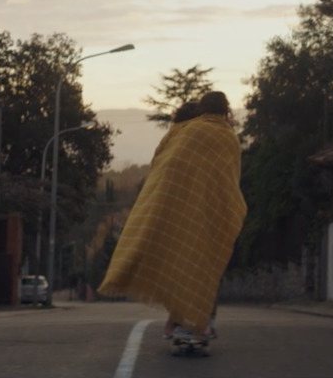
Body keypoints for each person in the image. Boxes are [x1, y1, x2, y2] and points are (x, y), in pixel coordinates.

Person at [98, 91, 245, 343]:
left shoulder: (185, 131)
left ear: (202, 109)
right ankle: (201, 323)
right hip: (209, 212)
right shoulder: (228, 137)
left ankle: (178, 322)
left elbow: (160, 163)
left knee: (179, 264)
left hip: (173, 208)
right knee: (204, 268)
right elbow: (231, 178)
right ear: (226, 111)